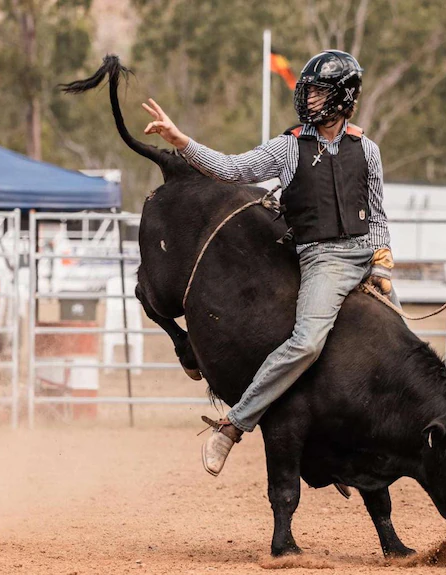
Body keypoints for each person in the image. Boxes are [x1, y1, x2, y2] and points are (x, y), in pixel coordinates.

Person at [141, 50, 395, 476]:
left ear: (342, 98)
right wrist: (182, 142)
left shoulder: (366, 150)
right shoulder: (289, 147)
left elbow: (377, 213)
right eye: (307, 91)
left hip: (365, 259)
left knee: (401, 350)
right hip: (324, 260)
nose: (307, 98)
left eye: (316, 92)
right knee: (307, 344)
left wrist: (383, 264)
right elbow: (231, 169)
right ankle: (233, 424)